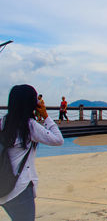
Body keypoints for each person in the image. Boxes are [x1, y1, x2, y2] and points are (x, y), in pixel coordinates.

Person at [0, 85, 64, 221]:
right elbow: (58, 139)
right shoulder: (29, 126)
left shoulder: (3, 123)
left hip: (3, 187)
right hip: (20, 188)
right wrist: (46, 116)